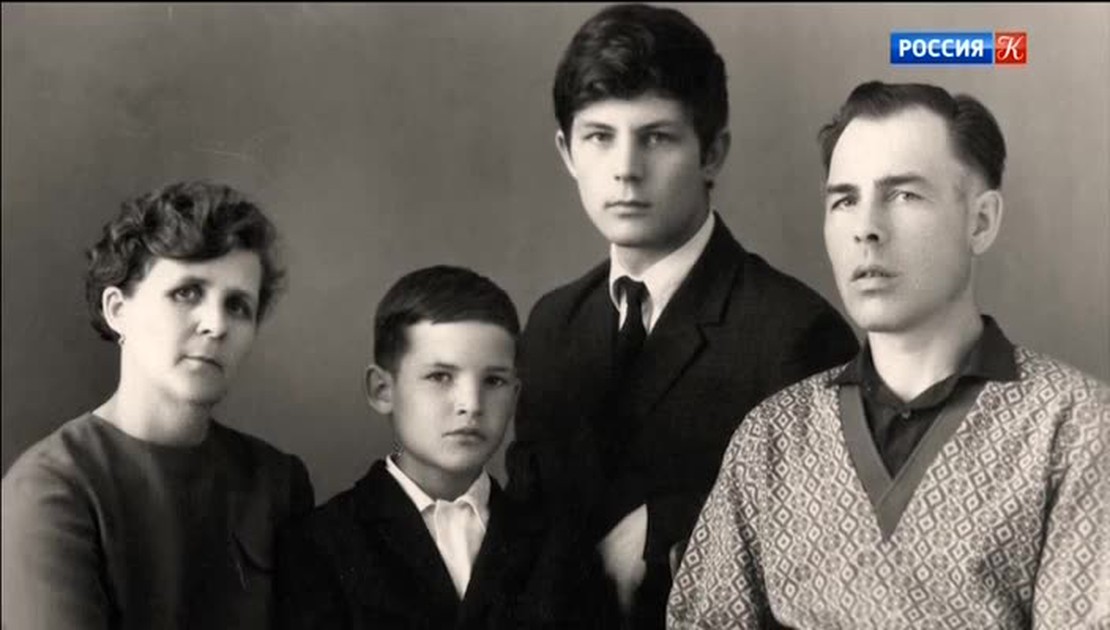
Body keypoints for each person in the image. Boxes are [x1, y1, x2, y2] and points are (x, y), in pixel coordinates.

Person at [668, 81, 1110, 629]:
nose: (866, 229)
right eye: (845, 200)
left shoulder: (1075, 429)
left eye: (904, 195)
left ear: (981, 221)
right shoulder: (772, 437)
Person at [504, 4, 859, 628]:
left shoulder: (795, 332)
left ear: (712, 153)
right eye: (599, 136)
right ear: (567, 152)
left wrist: (669, 523)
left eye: (657, 137)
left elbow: (834, 544)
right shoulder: (552, 323)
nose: (625, 169)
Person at [1, 180, 314, 629]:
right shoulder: (53, 490)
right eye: (187, 292)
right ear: (117, 310)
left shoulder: (276, 483)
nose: (216, 324)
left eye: (238, 306)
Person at [275, 265, 613, 629]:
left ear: (516, 395)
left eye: (494, 380)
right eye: (440, 377)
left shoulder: (560, 548)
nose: (471, 404)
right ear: (382, 390)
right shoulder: (321, 543)